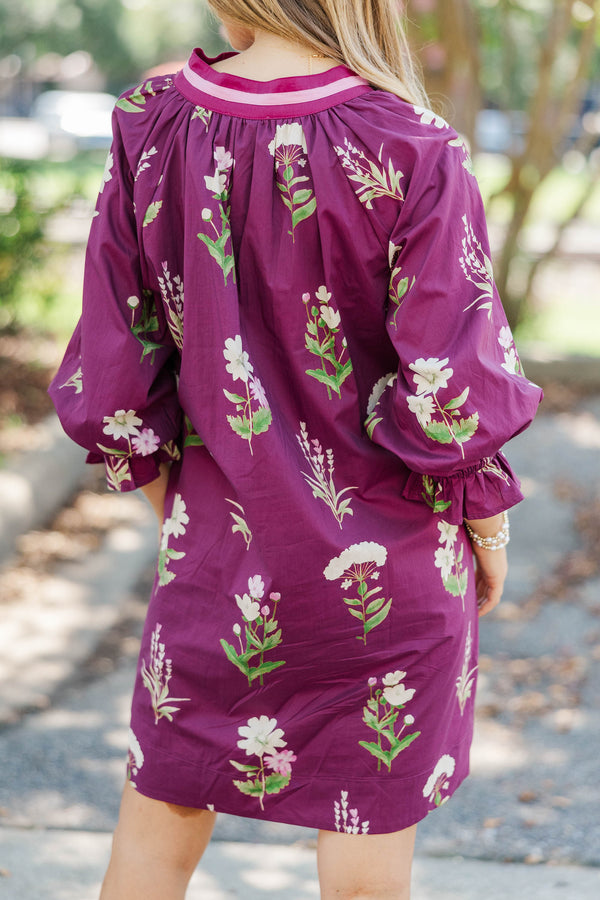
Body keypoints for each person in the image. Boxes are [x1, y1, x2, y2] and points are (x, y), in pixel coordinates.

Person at [49, 1, 543, 897]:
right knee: (366, 873)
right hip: (389, 577)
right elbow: (451, 388)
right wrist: (488, 529)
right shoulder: (413, 144)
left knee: (153, 842)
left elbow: (118, 373)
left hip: (216, 574)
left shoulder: (151, 122)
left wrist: (194, 518)